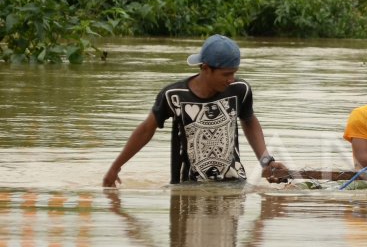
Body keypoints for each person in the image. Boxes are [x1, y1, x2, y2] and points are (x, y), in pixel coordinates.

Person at [103, 34, 289, 187]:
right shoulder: (175, 96)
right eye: (226, 74)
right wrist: (115, 167)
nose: (231, 79)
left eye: (234, 72)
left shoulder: (240, 90)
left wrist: (266, 162)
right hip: (187, 187)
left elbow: (249, 121)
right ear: (206, 69)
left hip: (234, 184)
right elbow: (146, 130)